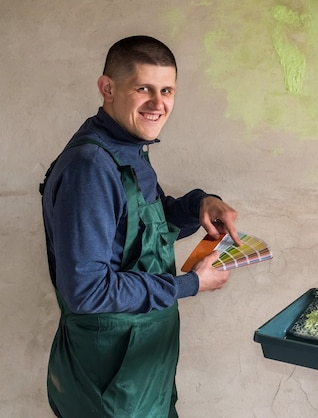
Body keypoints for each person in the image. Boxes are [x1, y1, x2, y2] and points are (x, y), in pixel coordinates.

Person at [40, 35, 242, 418]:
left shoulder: (127, 146)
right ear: (108, 88)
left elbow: (140, 230)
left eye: (167, 90)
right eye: (143, 88)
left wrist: (197, 206)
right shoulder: (91, 168)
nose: (158, 103)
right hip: (110, 374)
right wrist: (190, 284)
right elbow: (87, 290)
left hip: (142, 367)